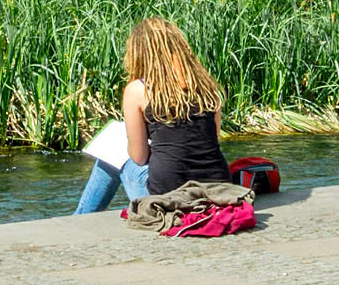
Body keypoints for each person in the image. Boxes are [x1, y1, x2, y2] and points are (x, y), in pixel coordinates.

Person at [75, 18, 231, 214]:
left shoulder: (138, 90)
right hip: (216, 191)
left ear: (140, 53)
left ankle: (79, 218)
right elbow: (211, 140)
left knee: (110, 155)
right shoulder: (206, 85)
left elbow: (139, 158)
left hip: (168, 198)